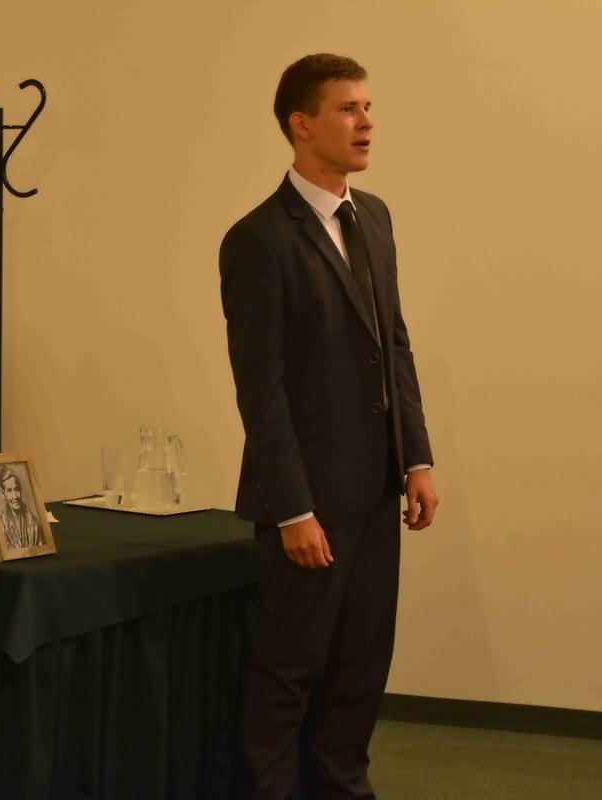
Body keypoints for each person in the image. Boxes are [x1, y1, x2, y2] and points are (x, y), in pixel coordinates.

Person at [219, 53, 439, 799]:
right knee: (287, 673)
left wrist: (416, 460)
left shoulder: (374, 218)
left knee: (359, 670)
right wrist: (293, 509)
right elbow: (262, 389)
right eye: (348, 108)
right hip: (307, 504)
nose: (366, 121)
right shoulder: (258, 239)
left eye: (368, 107)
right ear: (301, 124)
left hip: (376, 493)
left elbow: (394, 345)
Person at [0, 466, 44, 549]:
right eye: (9, 491)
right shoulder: (0, 525)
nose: (15, 496)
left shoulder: (34, 523)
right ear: (3, 494)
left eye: (17, 489)